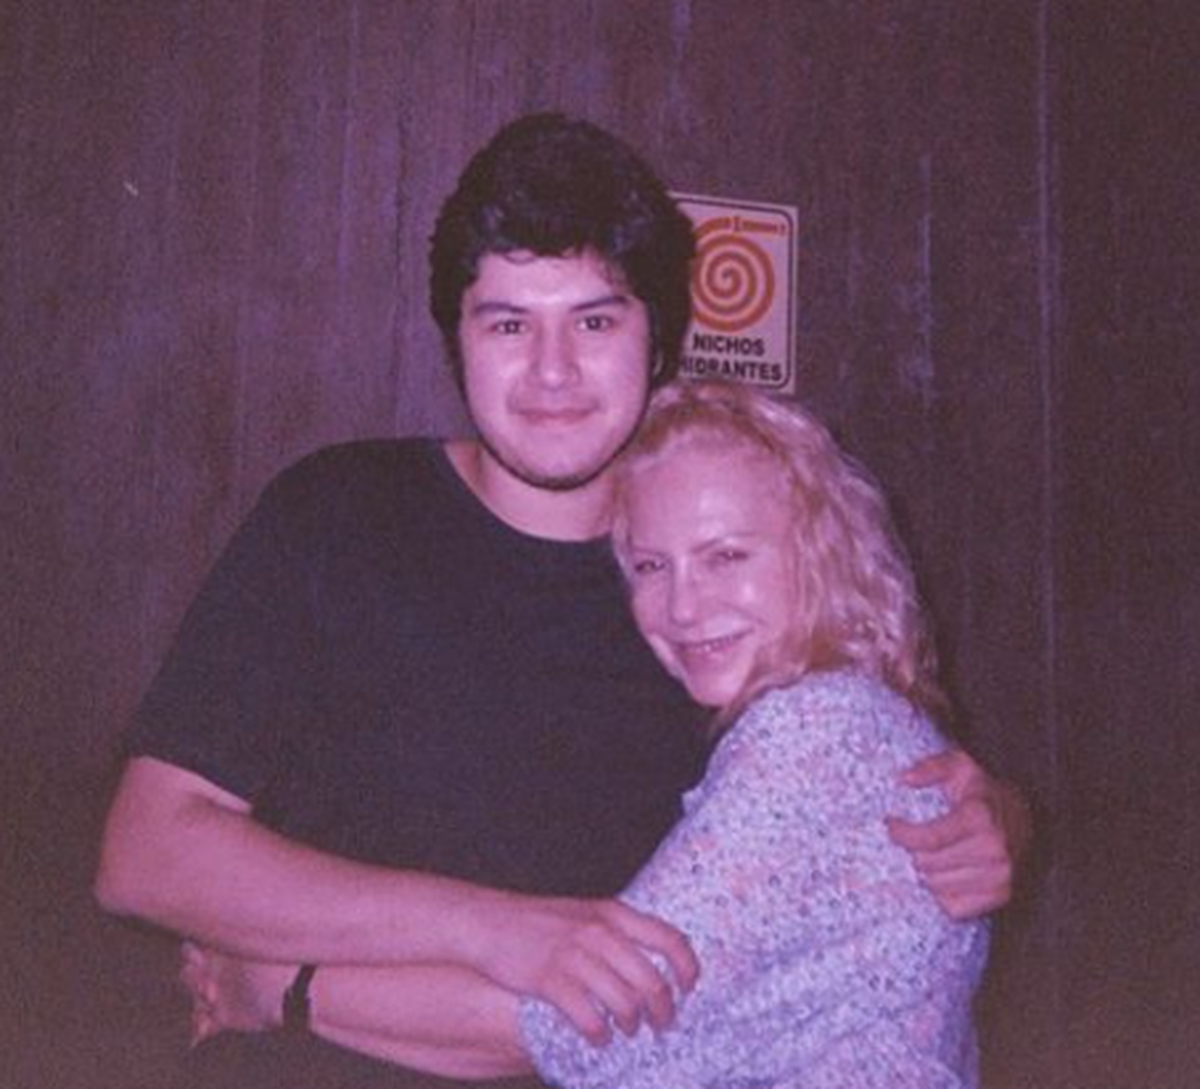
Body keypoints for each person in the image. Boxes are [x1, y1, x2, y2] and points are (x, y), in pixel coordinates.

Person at [95, 113, 1025, 1088]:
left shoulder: (720, 607)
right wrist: (496, 929)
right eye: (507, 323)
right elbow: (144, 852)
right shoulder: (338, 513)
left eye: (594, 320)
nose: (551, 372)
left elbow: (885, 785)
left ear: (659, 336)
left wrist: (1001, 816)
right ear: (455, 340)